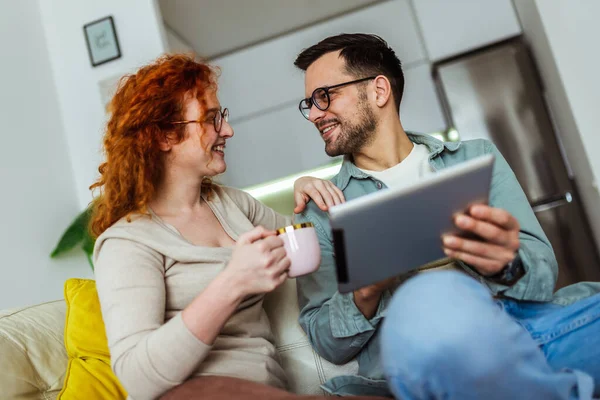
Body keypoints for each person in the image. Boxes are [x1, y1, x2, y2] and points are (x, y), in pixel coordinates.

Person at [292, 33, 600, 399]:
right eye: (309, 103)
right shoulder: (322, 208)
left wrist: (506, 265)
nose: (313, 114)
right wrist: (365, 292)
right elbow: (327, 342)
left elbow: (543, 276)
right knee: (431, 294)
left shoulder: (474, 158)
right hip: (439, 355)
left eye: (325, 96)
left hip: (527, 327)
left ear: (378, 91)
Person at [91, 54, 388, 400]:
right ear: (164, 136)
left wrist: (305, 192)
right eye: (212, 119)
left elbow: (312, 245)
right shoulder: (127, 243)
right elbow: (137, 380)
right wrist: (232, 283)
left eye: (223, 117)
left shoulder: (231, 205)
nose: (228, 130)